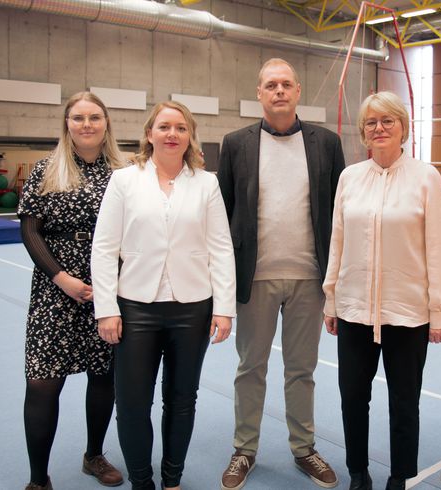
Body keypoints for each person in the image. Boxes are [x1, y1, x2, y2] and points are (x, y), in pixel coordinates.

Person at [91, 100, 236, 490]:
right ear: (150, 133)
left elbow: (221, 247)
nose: (172, 134)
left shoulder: (207, 183)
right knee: (134, 404)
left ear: (189, 136)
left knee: (182, 400)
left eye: (181, 128)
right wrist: (106, 309)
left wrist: (224, 308)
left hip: (193, 309)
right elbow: (104, 247)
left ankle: (172, 479)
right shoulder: (124, 180)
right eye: (164, 127)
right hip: (136, 306)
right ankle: (143, 481)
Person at [217, 58, 345, 490]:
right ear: (259, 92)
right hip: (255, 279)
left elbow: (338, 214)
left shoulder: (326, 143)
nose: (279, 91)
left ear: (298, 90)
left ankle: (304, 448)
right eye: (270, 84)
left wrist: (337, 281)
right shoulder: (235, 144)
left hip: (310, 278)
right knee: (250, 366)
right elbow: (224, 214)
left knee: (301, 370)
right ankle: (244, 450)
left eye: (286, 84)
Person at [322, 91, 441, 490]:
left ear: (403, 128)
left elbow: (438, 246)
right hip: (354, 310)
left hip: (407, 311)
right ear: (363, 132)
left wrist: (440, 310)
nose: (379, 128)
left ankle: (399, 476)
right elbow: (338, 242)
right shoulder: (350, 178)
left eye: (388, 121)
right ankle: (358, 473)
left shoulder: (426, 177)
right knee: (353, 398)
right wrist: (332, 299)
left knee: (403, 402)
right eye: (371, 122)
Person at [18, 91, 127, 490]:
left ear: (106, 123)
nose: (86, 124)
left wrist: (110, 283)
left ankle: (94, 456)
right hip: (55, 288)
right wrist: (61, 278)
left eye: (94, 117)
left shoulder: (124, 171)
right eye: (78, 117)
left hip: (107, 288)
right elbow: (30, 230)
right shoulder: (47, 169)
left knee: (103, 377)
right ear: (67, 123)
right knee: (43, 382)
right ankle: (37, 479)